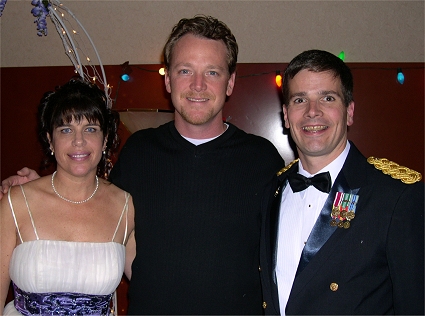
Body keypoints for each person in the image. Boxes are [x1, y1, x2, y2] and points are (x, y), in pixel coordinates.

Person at [1, 15, 285, 314]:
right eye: (185, 70)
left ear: (230, 82)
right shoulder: (139, 151)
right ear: (167, 80)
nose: (197, 85)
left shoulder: (263, 160)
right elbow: (98, 208)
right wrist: (39, 191)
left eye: (212, 72)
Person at [260, 49, 424, 315]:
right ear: (286, 115)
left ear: (349, 111)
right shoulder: (273, 191)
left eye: (327, 98)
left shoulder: (396, 197)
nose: (313, 112)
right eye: (300, 100)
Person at [0, 78, 135, 315]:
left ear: (105, 140)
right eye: (66, 129)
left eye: (90, 129)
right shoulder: (16, 202)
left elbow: (153, 283)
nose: (79, 141)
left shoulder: (125, 206)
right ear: (50, 140)